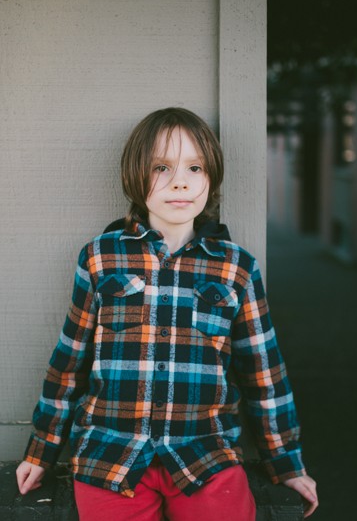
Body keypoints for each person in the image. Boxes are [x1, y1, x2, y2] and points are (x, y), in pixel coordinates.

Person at [16, 107, 318, 520]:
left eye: (194, 167)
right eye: (162, 167)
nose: (180, 181)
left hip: (205, 456)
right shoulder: (100, 258)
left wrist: (286, 462)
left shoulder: (236, 268)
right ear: (134, 177)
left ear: (211, 179)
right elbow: (68, 365)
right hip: (111, 456)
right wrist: (42, 451)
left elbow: (263, 375)